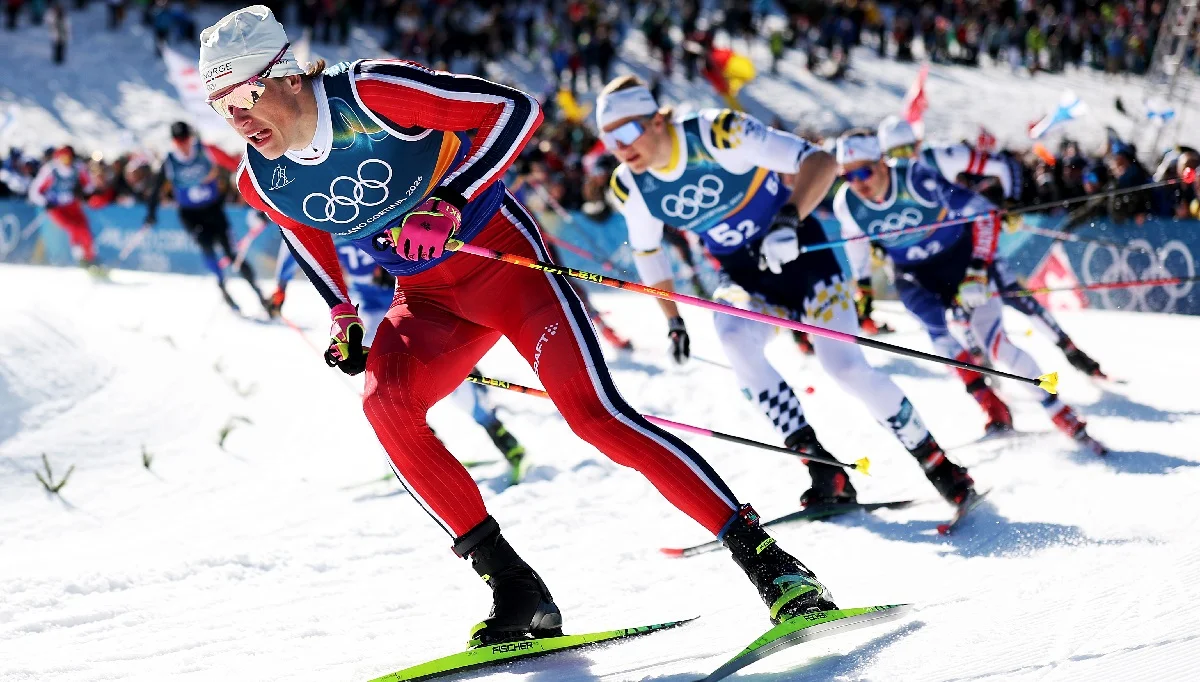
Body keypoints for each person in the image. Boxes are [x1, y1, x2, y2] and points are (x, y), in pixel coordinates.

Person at [202, 5, 843, 645]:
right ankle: (516, 590)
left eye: (243, 93)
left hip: (508, 265)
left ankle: (770, 564)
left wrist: (449, 202)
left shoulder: (370, 92)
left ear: (286, 74)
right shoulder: (259, 177)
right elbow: (304, 229)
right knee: (385, 406)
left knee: (597, 418)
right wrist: (342, 312)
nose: (236, 116)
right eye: (219, 103)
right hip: (428, 298)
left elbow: (514, 112)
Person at [600, 75, 976, 508]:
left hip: (805, 259)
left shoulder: (717, 132)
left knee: (845, 368)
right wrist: (673, 320)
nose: (621, 147)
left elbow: (819, 161)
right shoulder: (629, 184)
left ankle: (938, 464)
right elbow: (649, 254)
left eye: (628, 131)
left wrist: (788, 219)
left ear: (657, 120)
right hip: (746, 277)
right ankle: (821, 468)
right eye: (610, 140)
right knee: (735, 339)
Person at [833, 131, 1106, 455]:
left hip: (960, 263)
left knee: (997, 346)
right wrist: (863, 291)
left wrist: (978, 269)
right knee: (940, 339)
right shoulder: (846, 203)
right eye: (847, 175)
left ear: (882, 163)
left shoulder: (918, 179)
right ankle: (991, 405)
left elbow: (985, 214)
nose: (858, 182)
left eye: (863, 171)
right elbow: (856, 245)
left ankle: (1059, 410)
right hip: (914, 277)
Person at [270, 237, 529, 477]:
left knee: (444, 371)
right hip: (369, 310)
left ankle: (500, 435)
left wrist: (394, 262)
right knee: (380, 380)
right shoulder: (319, 213)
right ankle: (420, 447)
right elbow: (296, 241)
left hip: (413, 299)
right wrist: (280, 286)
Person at [877, 116, 1106, 379]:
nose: (904, 160)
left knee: (1015, 296)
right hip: (939, 261)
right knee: (961, 313)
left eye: (908, 150)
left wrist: (1011, 203)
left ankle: (1074, 355)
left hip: (972, 246)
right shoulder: (883, 181)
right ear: (883, 158)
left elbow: (1003, 165)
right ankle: (986, 373)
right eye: (894, 154)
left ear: (917, 145)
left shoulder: (939, 158)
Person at [143, 121, 272, 314]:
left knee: (232, 253)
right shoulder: (169, 160)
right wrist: (151, 214)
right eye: (178, 142)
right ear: (173, 142)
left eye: (185, 140)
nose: (183, 145)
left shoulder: (206, 150)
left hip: (213, 210)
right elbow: (155, 189)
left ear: (191, 137)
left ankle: (259, 294)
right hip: (190, 215)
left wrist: (260, 199)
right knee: (206, 246)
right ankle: (223, 287)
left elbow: (236, 166)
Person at [28, 145, 101, 270]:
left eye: (68, 158)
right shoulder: (50, 170)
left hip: (72, 205)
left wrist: (82, 191)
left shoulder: (77, 168)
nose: (66, 161)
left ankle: (91, 259)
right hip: (56, 208)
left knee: (85, 229)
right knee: (74, 228)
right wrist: (45, 201)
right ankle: (80, 256)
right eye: (63, 158)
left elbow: (89, 186)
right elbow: (34, 191)